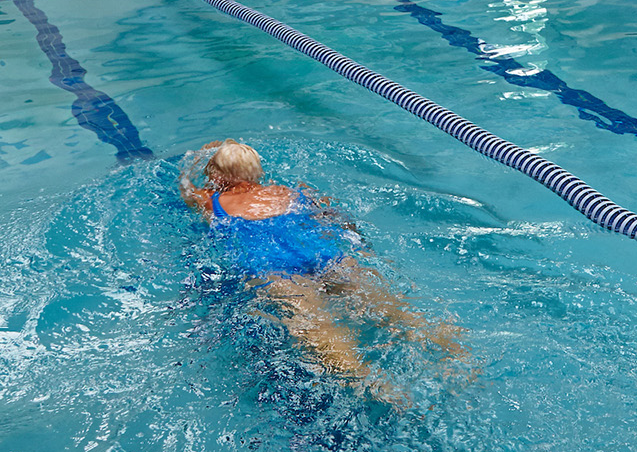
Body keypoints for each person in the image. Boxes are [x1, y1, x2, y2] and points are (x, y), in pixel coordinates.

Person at [180, 139, 461, 405]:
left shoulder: (210, 200)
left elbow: (184, 187)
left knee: (317, 330)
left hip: (272, 267)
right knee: (387, 307)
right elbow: (336, 216)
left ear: (217, 174)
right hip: (319, 252)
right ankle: (450, 348)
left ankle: (377, 388)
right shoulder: (289, 191)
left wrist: (192, 161)